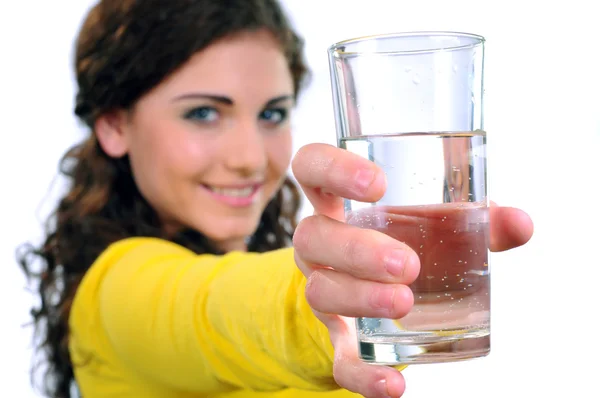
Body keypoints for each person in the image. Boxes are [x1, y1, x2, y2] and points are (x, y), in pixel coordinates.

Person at [18, 1, 534, 397]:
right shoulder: (116, 294)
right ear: (113, 125)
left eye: (271, 114)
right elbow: (215, 312)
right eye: (202, 113)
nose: (249, 157)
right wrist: (327, 294)